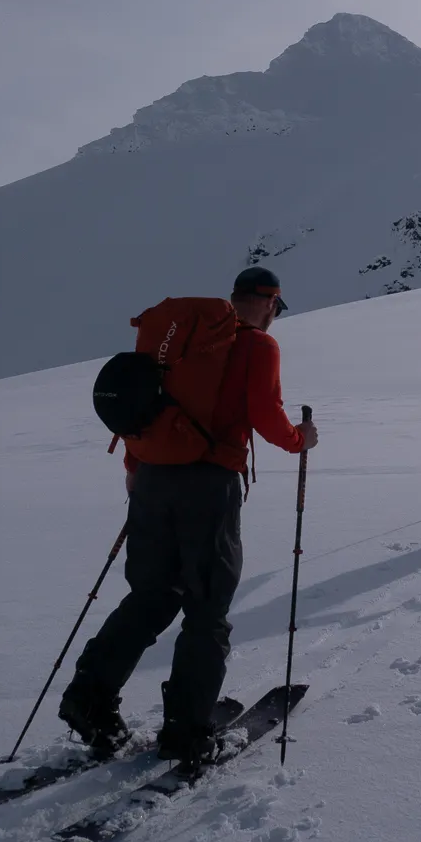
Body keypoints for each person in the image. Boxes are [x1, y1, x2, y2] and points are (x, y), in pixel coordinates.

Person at [58, 267, 318, 768]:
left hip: (152, 479)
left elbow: (148, 409)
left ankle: (87, 699)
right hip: (209, 487)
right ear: (268, 302)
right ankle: (186, 732)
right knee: (206, 608)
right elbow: (266, 417)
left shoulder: (178, 345)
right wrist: (299, 439)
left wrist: (137, 469)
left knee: (151, 596)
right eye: (277, 309)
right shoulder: (257, 346)